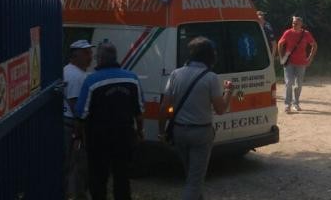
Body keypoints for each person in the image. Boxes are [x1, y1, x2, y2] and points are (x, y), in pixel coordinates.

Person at [158, 37, 234, 200]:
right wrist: (229, 91)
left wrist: (161, 132)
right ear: (209, 56)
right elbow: (221, 110)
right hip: (201, 133)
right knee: (194, 181)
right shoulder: (210, 77)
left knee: (191, 177)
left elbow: (164, 107)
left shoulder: (176, 74)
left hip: (178, 132)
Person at [74, 41, 144, 200]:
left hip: (98, 139)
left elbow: (81, 114)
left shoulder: (91, 81)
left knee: (98, 178)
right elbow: (139, 113)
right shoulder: (132, 79)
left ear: (99, 59)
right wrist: (140, 132)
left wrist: (78, 136)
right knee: (122, 177)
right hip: (124, 137)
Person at [63, 39, 94, 199]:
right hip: (73, 126)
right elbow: (77, 107)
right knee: (77, 164)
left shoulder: (72, 72)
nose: (91, 56)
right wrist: (80, 133)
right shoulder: (76, 76)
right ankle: (77, 194)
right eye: (86, 53)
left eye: (90, 52)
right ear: (75, 56)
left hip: (70, 125)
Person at [277, 16, 317, 113]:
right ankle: (287, 105)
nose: (293, 25)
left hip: (301, 62)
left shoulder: (306, 34)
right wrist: (281, 56)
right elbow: (280, 43)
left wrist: (310, 58)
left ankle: (296, 103)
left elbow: (314, 45)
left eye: (296, 23)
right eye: (293, 23)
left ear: (301, 24)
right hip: (289, 62)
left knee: (298, 85)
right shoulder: (288, 32)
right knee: (289, 82)